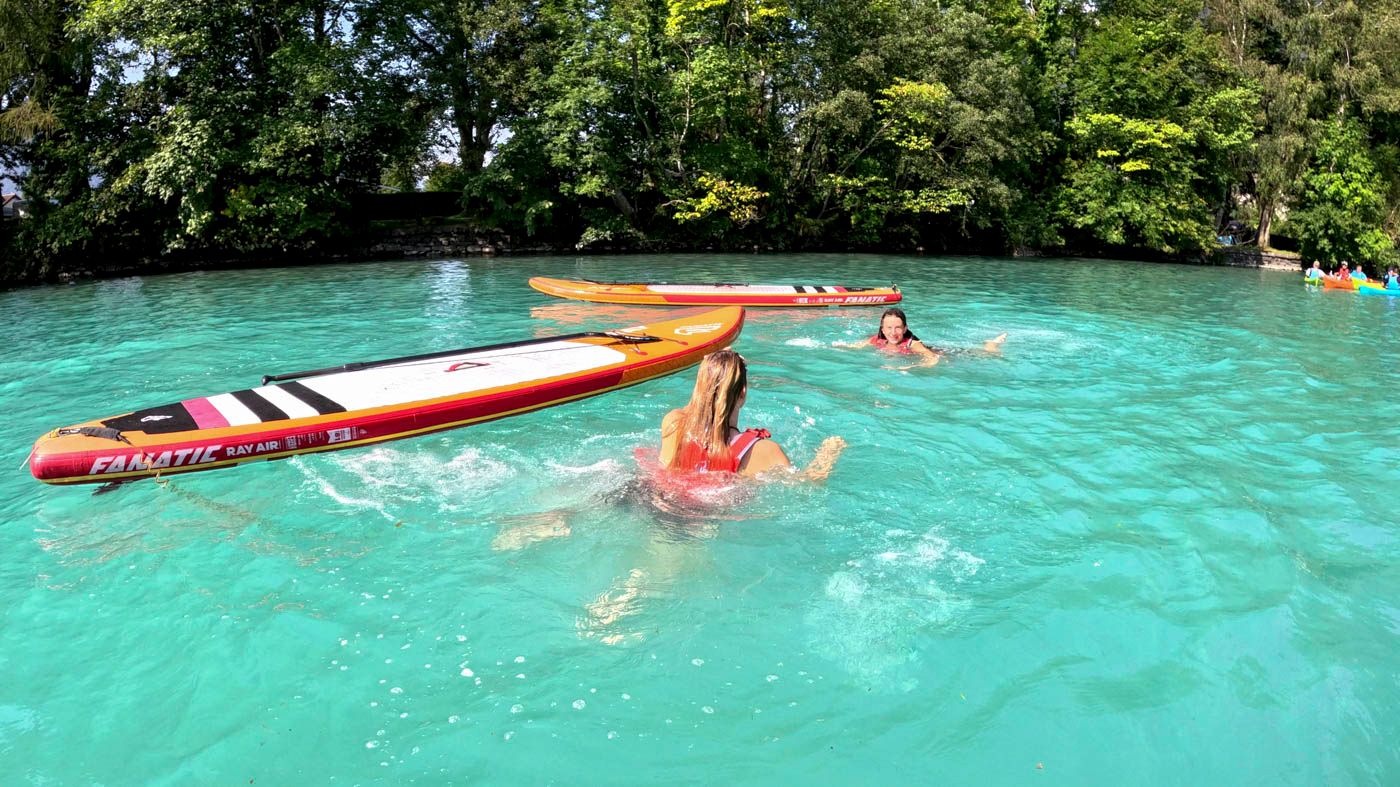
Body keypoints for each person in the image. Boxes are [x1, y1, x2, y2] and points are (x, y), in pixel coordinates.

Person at [659, 349, 845, 480]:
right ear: (743, 393)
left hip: (661, 512)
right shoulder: (764, 452)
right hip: (711, 526)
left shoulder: (674, 424)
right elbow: (807, 485)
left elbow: (693, 407)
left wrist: (714, 367)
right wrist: (828, 453)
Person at [848, 307, 1006, 368]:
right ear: (882, 329)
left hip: (946, 353)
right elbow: (855, 346)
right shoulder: (876, 339)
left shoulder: (913, 345)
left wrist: (907, 367)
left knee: (986, 355)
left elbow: (933, 359)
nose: (893, 332)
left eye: (898, 328)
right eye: (889, 328)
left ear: (905, 329)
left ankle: (991, 344)